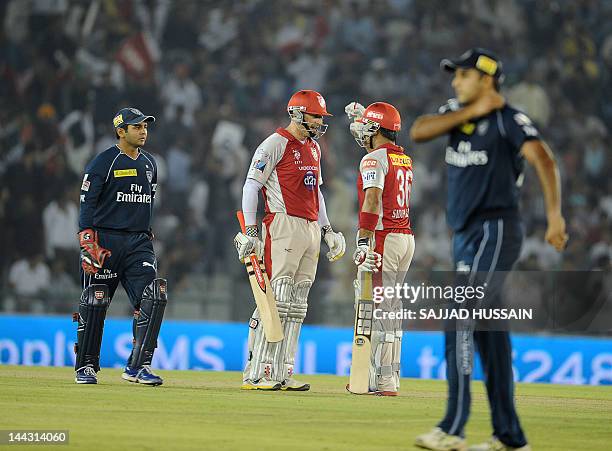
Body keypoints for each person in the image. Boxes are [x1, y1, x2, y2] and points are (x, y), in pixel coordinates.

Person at [410, 48, 568, 450]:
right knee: (489, 333)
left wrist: (554, 218)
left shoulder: (508, 120)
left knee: (458, 313)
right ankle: (510, 437)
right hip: (464, 233)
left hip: (496, 230)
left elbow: (543, 159)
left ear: (487, 79)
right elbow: (419, 130)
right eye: (455, 76)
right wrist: (471, 111)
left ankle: (452, 428)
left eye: (463, 76)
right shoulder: (456, 112)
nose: (454, 82)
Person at [234, 90, 346, 391]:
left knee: (298, 304)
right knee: (277, 298)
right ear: (297, 113)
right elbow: (250, 186)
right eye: (315, 116)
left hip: (309, 228)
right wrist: (252, 231)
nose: (320, 122)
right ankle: (258, 371)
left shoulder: (314, 148)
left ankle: (283, 371)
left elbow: (317, 193)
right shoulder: (274, 143)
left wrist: (327, 230)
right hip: (282, 224)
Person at [74, 107, 168, 386]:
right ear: (121, 131)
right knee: (95, 301)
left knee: (154, 296)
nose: (143, 132)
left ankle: (138, 367)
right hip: (105, 241)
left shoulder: (150, 163)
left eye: (145, 127)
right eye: (137, 127)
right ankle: (86, 366)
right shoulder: (104, 162)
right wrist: (87, 239)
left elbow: (147, 201)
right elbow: (87, 203)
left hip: (139, 241)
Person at [345, 101, 415, 396]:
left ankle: (376, 380)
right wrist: (363, 116)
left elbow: (372, 200)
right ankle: (390, 377)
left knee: (374, 310)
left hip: (383, 237)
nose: (361, 132)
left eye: (366, 127)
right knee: (392, 310)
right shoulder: (404, 159)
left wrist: (362, 239)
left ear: (376, 129)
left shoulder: (373, 159)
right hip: (405, 238)